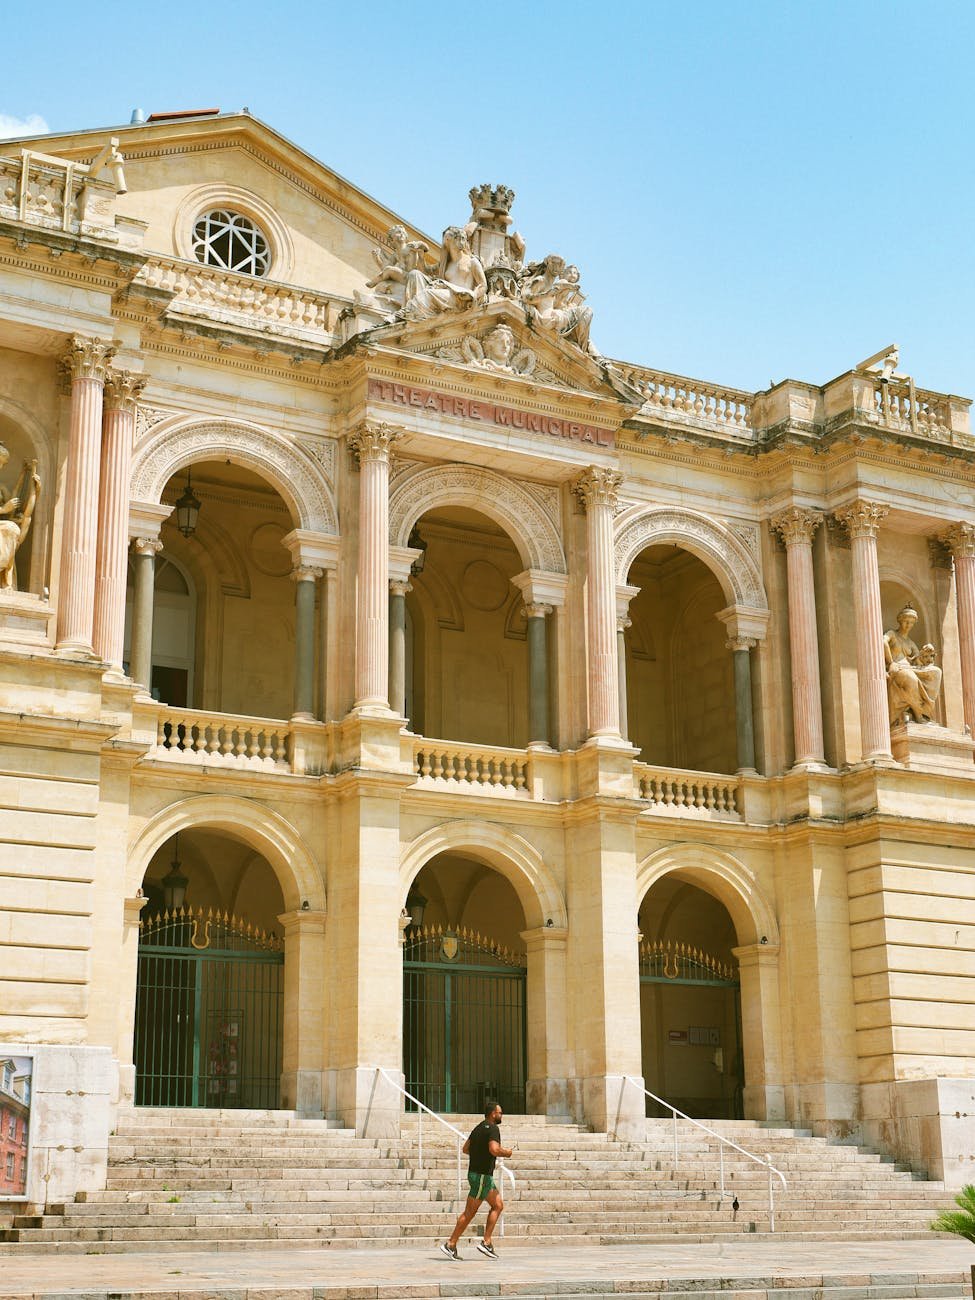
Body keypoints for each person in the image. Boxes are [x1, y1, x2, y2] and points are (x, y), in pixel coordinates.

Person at [439, 1101, 512, 1261]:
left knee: (498, 1205)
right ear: (493, 1113)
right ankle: (450, 1243)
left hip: (480, 1175)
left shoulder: (478, 1128)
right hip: (481, 1176)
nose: (501, 1115)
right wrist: (507, 1152)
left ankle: (487, 1241)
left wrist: (479, 1153)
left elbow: (466, 1149)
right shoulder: (493, 1128)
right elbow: (494, 1149)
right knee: (470, 1212)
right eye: (500, 1113)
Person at [884, 604, 943, 724]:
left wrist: (929, 651)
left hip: (910, 668)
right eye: (906, 621)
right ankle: (918, 714)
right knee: (911, 677)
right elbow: (883, 642)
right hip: (897, 668)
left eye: (911, 623)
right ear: (900, 621)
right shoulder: (892, 634)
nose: (908, 625)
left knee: (936, 672)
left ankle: (926, 709)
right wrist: (891, 662)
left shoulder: (910, 643)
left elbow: (920, 659)